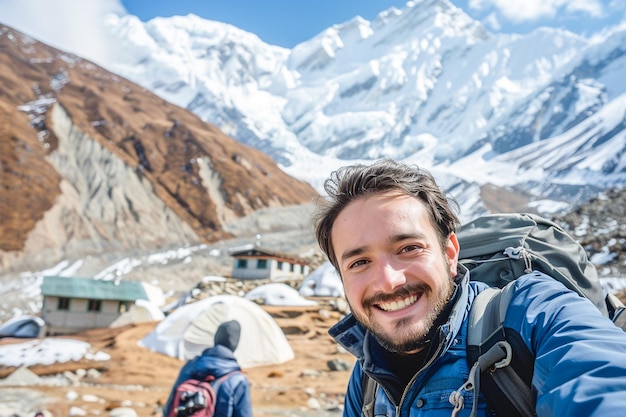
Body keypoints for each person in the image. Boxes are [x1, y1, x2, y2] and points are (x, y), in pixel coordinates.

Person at [313, 158, 626, 416]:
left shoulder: (534, 314)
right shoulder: (368, 377)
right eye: (359, 263)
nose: (388, 281)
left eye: (408, 248)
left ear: (450, 253)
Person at [162, 320, 252, 417]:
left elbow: (169, 407)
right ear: (236, 344)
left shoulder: (190, 366)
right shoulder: (237, 379)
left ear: (216, 338)